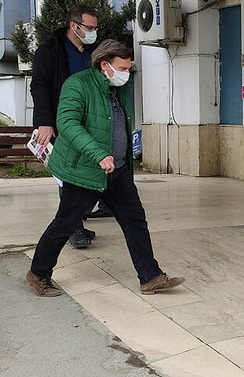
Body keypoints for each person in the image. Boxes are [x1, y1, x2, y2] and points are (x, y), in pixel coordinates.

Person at [26, 39, 185, 297]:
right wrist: (99, 154)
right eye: (122, 68)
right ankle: (38, 273)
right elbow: (67, 123)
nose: (127, 73)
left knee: (135, 222)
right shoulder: (77, 85)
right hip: (84, 171)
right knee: (64, 224)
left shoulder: (116, 87)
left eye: (129, 68)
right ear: (104, 65)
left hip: (117, 170)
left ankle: (150, 277)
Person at [31, 4, 112, 249]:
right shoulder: (50, 51)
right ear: (74, 26)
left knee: (85, 172)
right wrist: (45, 122)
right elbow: (40, 86)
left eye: (95, 28)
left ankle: (75, 221)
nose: (93, 32)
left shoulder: (92, 53)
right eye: (89, 27)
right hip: (62, 122)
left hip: (90, 122)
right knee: (68, 175)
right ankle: (72, 227)